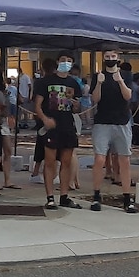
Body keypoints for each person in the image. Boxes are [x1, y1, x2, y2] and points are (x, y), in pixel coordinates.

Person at [89, 49, 136, 213]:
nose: (110, 59)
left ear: (118, 58)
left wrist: (120, 81)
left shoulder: (125, 75)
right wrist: (99, 83)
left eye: (113, 57)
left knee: (124, 160)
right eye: (107, 56)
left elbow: (128, 96)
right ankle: (96, 196)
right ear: (103, 58)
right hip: (102, 121)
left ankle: (127, 197)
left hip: (122, 121)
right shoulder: (98, 76)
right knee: (100, 159)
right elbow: (95, 99)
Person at [34, 52, 82, 209]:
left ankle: (64, 196)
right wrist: (45, 119)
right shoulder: (45, 82)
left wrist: (76, 106)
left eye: (69, 61)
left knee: (66, 162)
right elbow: (37, 105)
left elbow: (77, 107)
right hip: (51, 127)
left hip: (67, 126)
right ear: (57, 62)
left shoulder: (74, 83)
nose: (66, 63)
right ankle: (50, 197)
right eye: (63, 60)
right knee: (50, 162)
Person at [30, 58, 58, 184]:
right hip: (50, 116)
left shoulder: (39, 82)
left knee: (41, 144)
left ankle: (37, 171)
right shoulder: (52, 82)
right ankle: (53, 173)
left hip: (42, 116)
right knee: (53, 145)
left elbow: (33, 98)